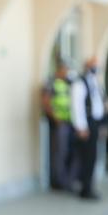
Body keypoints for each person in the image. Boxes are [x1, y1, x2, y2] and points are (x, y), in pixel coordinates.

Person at [70, 56, 106, 200]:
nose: (95, 68)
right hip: (86, 123)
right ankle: (85, 188)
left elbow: (98, 104)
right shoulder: (79, 83)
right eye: (93, 65)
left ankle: (89, 185)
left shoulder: (94, 82)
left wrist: (102, 124)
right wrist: (81, 127)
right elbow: (77, 107)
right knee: (87, 157)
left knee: (92, 157)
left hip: (95, 122)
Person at [41, 59, 74, 191]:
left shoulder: (67, 83)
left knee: (66, 151)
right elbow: (46, 101)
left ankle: (65, 179)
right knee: (58, 152)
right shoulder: (51, 82)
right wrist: (55, 118)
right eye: (65, 70)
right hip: (58, 123)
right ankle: (58, 181)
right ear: (59, 70)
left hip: (68, 121)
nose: (66, 72)